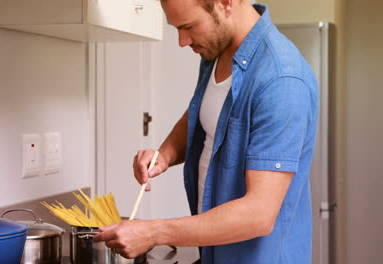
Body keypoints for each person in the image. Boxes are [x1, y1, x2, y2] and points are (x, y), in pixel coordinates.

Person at [94, 0, 318, 263]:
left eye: (188, 26)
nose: (181, 41)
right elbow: (204, 112)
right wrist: (165, 154)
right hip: (213, 252)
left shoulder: (281, 81)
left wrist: (154, 232)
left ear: (226, 4)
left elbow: (258, 213)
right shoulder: (216, 51)